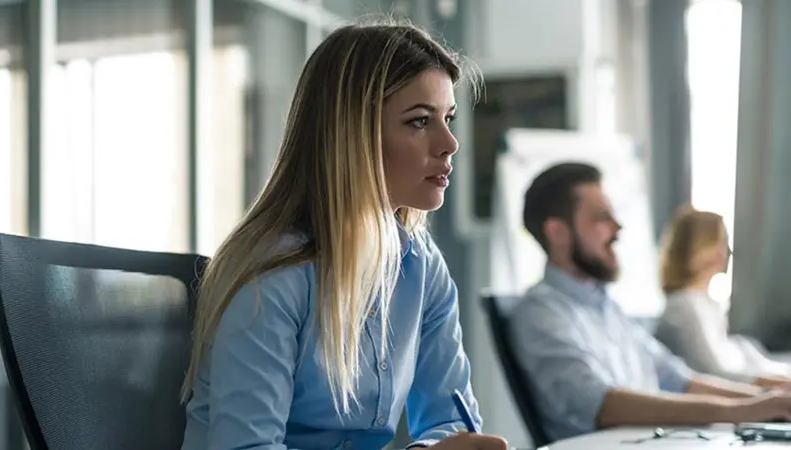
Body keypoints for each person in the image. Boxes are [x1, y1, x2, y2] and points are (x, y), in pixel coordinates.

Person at [179, 20, 507, 450]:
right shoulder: (272, 278)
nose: (450, 143)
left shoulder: (421, 266)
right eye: (419, 122)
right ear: (354, 135)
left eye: (448, 118)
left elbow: (452, 421)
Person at [508, 162, 791, 441]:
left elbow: (679, 381)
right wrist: (742, 410)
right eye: (601, 218)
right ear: (557, 232)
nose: (617, 227)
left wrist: (769, 401)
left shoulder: (607, 308)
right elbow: (602, 403)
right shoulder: (541, 313)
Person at [655, 205, 791, 387]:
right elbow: (712, 374)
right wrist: (781, 385)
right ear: (700, 248)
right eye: (719, 242)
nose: (726, 251)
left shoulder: (706, 304)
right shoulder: (683, 308)